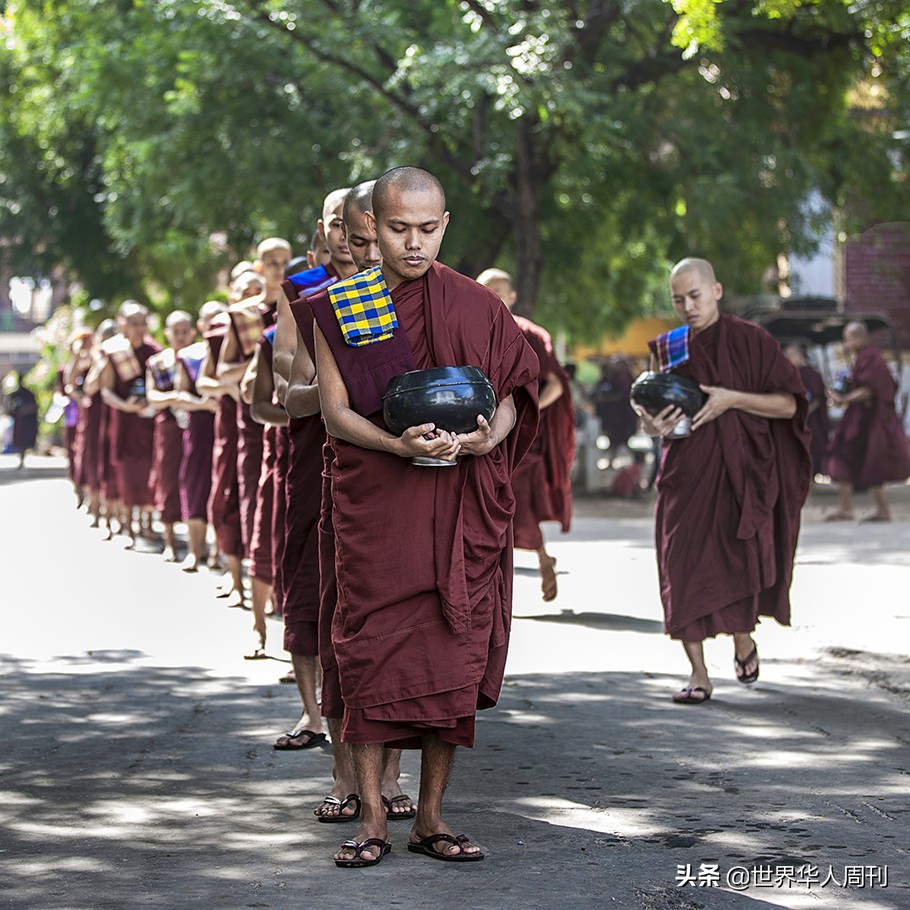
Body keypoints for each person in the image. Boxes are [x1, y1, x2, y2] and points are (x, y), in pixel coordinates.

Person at [312, 166, 539, 867]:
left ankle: (431, 817)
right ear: (372, 228)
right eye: (398, 228)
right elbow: (335, 410)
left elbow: (515, 387)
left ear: (446, 225)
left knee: (451, 652)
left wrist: (490, 436)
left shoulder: (476, 305)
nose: (414, 243)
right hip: (380, 505)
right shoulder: (342, 304)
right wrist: (397, 444)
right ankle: (374, 819)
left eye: (429, 228)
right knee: (369, 653)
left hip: (459, 505)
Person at [287, 181, 416, 820]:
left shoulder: (422, 297)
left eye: (368, 236)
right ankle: (344, 775)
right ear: (330, 230)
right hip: (338, 471)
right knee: (347, 630)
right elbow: (289, 398)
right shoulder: (314, 303)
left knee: (398, 635)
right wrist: (337, 385)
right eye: (348, 233)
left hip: (411, 479)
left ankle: (391, 779)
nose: (357, 247)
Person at [635, 258, 810, 706]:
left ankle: (742, 639)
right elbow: (652, 418)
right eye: (678, 299)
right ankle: (698, 673)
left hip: (741, 474)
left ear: (717, 289)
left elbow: (790, 406)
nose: (687, 307)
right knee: (681, 565)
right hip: (685, 474)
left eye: (695, 296)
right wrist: (652, 426)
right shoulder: (669, 346)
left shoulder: (752, 341)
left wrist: (733, 399)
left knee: (734, 561)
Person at [272, 189, 354, 748]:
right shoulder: (302, 292)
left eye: (357, 225)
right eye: (335, 224)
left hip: (372, 456)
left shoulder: (397, 287)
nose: (347, 235)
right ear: (321, 230)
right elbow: (285, 376)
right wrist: (326, 391)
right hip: (312, 450)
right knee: (307, 575)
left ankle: (364, 720)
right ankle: (312, 713)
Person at [476, 268, 574, 601]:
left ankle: (539, 561)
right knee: (489, 509)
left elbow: (557, 386)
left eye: (501, 291)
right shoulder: (472, 330)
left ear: (513, 296)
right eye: (488, 290)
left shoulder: (529, 334)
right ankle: (508, 578)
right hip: (484, 433)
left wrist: (527, 414)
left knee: (517, 508)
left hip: (522, 439)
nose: (495, 297)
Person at [218, 238, 292, 658]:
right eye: (272, 262)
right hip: (253, 425)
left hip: (294, 424)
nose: (279, 268)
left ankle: (289, 614)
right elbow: (223, 369)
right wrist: (260, 359)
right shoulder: (245, 317)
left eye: (285, 261)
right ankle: (258, 624)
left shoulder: (302, 306)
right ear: (260, 266)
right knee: (259, 516)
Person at [824, 321, 910, 522]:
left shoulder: (872, 357)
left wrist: (844, 399)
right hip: (859, 418)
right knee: (843, 455)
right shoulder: (863, 358)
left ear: (859, 338)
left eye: (848, 339)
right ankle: (848, 507)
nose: (846, 344)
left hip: (873, 419)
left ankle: (881, 510)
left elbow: (870, 389)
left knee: (871, 459)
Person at [98, 302, 161, 548]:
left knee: (147, 471)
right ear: (122, 324)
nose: (138, 328)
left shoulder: (154, 351)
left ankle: (146, 524)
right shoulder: (114, 352)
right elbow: (106, 391)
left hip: (148, 422)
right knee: (124, 472)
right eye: (133, 323)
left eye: (142, 323)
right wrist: (125, 406)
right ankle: (127, 527)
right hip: (123, 421)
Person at [174, 302, 225, 572]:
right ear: (200, 326)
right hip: (199, 427)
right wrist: (204, 404)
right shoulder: (191, 355)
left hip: (228, 426)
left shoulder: (233, 349)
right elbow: (180, 393)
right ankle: (195, 551)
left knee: (224, 488)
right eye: (209, 320)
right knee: (196, 485)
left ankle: (218, 552)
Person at [147, 311, 196, 562]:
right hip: (168, 427)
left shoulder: (199, 357)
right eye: (175, 332)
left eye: (184, 331)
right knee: (168, 480)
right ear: (167, 334)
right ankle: (169, 542)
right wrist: (174, 399)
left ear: (193, 332)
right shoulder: (158, 362)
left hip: (197, 425)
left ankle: (195, 544)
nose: (180, 336)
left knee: (194, 480)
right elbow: (152, 396)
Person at [784, 344, 829, 480]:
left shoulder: (811, 374)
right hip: (790, 418)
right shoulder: (787, 375)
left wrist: (805, 412)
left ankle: (810, 486)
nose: (790, 359)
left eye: (793, 355)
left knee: (810, 453)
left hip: (810, 420)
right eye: (788, 356)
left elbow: (818, 397)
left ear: (801, 355)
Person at [4, 371, 38, 469]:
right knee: (19, 440)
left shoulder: (28, 394)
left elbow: (33, 407)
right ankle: (20, 456)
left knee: (25, 440)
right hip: (19, 422)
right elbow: (9, 407)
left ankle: (23, 456)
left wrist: (24, 411)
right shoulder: (15, 394)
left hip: (26, 422)